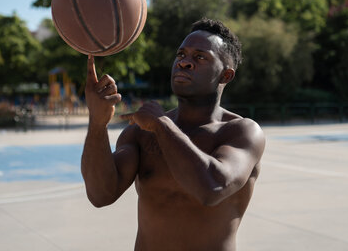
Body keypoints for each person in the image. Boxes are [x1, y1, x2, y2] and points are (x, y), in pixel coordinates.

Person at [82, 18, 265, 251]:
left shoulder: (241, 132)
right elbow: (100, 195)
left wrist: (162, 125)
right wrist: (97, 124)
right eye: (181, 55)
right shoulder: (141, 133)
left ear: (225, 76)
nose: (185, 63)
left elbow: (212, 188)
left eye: (200, 57)